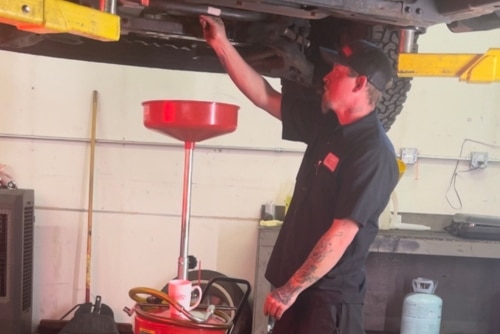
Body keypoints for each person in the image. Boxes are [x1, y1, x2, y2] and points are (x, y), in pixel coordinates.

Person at [200, 15, 400, 334]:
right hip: (299, 296)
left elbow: (341, 233)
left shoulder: (373, 153)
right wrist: (221, 44)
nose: (326, 77)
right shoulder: (329, 126)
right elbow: (265, 96)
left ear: (360, 83)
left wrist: (290, 289)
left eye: (336, 71)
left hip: (328, 305)